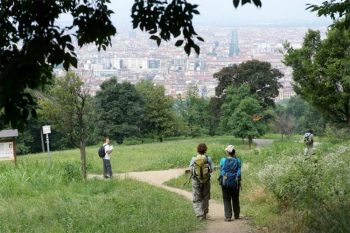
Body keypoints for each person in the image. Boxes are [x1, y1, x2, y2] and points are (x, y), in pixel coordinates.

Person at [189, 143, 214, 221]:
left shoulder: (193, 159)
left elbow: (190, 170)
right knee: (205, 197)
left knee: (197, 198)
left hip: (196, 181)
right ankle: (205, 214)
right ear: (205, 150)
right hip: (206, 181)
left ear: (197, 150)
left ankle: (199, 215)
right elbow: (212, 169)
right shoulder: (208, 158)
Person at [219, 145, 241, 222]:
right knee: (235, 198)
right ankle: (237, 215)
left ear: (227, 152)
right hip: (235, 182)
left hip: (225, 182)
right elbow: (239, 171)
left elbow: (221, 170)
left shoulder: (223, 160)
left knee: (226, 199)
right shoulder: (238, 160)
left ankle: (228, 216)